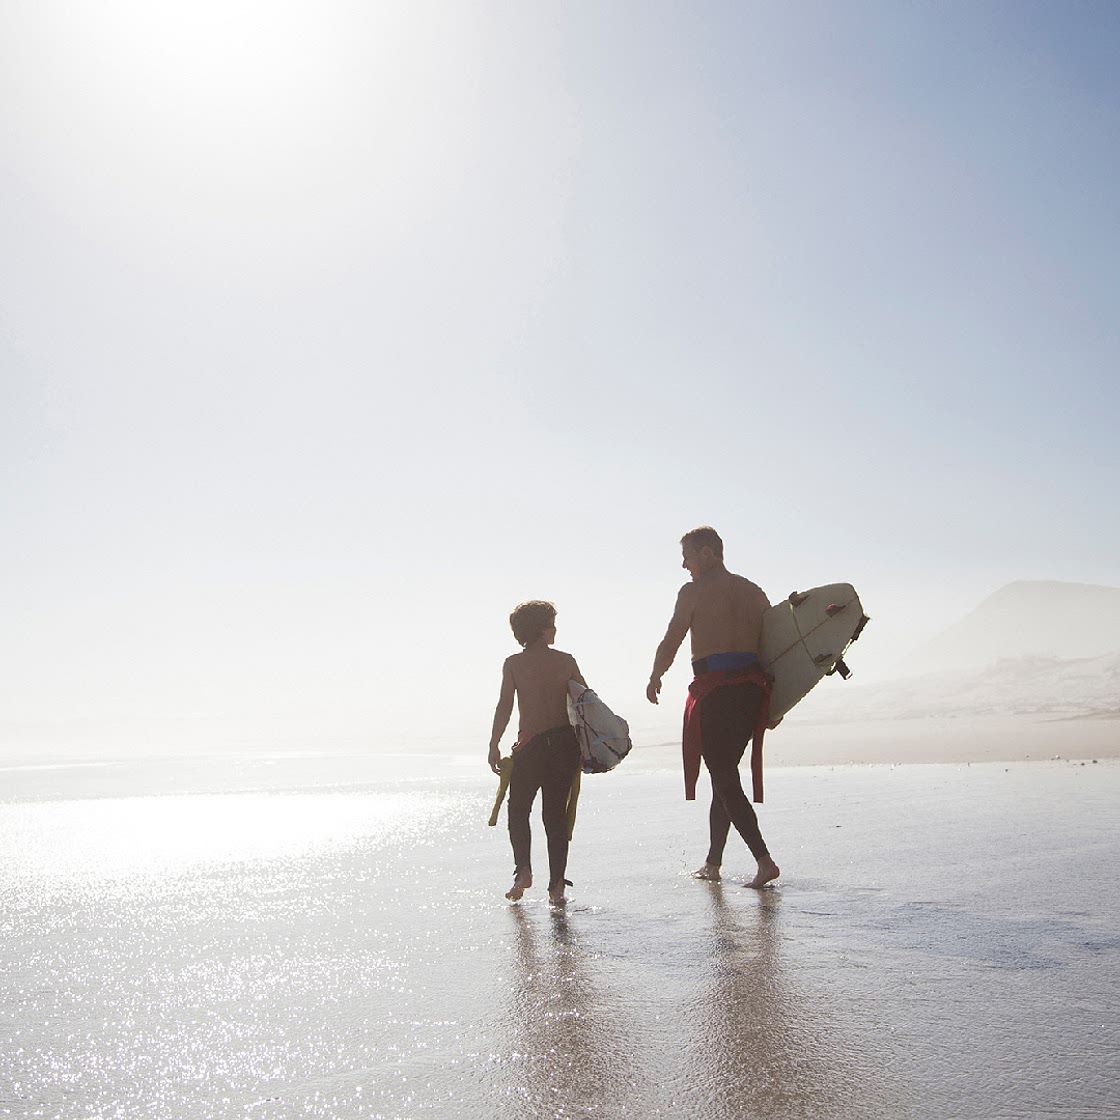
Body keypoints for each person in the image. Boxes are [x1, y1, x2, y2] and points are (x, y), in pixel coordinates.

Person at [646, 526, 781, 889]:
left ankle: (763, 859)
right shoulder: (754, 592)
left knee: (722, 775)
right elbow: (775, 649)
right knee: (725, 775)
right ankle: (713, 862)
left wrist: (655, 675)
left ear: (707, 553)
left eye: (687, 556)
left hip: (717, 694)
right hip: (752, 692)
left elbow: (673, 637)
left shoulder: (692, 592)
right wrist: (777, 703)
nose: (684, 565)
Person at [489, 600, 585, 905]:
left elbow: (505, 707)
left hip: (529, 746)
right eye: (552, 624)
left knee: (518, 809)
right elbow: (586, 703)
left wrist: (494, 744)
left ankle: (523, 871)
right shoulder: (566, 661)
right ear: (543, 630)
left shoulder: (514, 664)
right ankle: (556, 887)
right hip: (563, 746)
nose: (555, 629)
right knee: (554, 816)